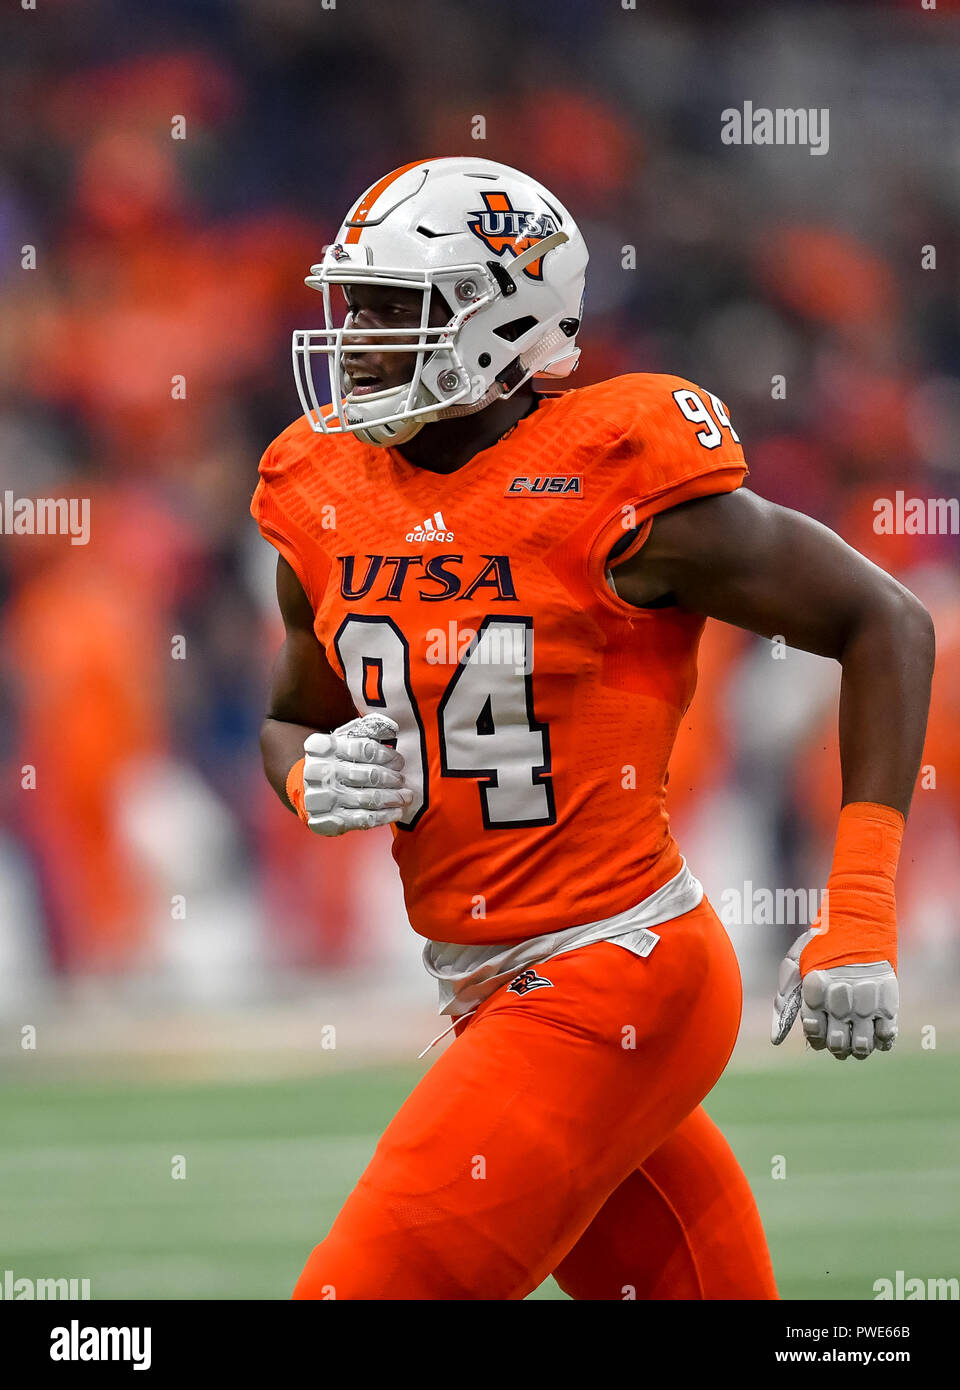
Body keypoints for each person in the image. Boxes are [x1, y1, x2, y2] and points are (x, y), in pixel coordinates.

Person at [250, 157, 934, 1300]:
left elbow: (885, 621)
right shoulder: (322, 486)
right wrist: (308, 776)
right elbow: (288, 716)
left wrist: (858, 911)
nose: (354, 335)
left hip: (615, 967)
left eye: (390, 308)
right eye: (352, 302)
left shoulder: (613, 470)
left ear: (500, 315)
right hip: (489, 981)